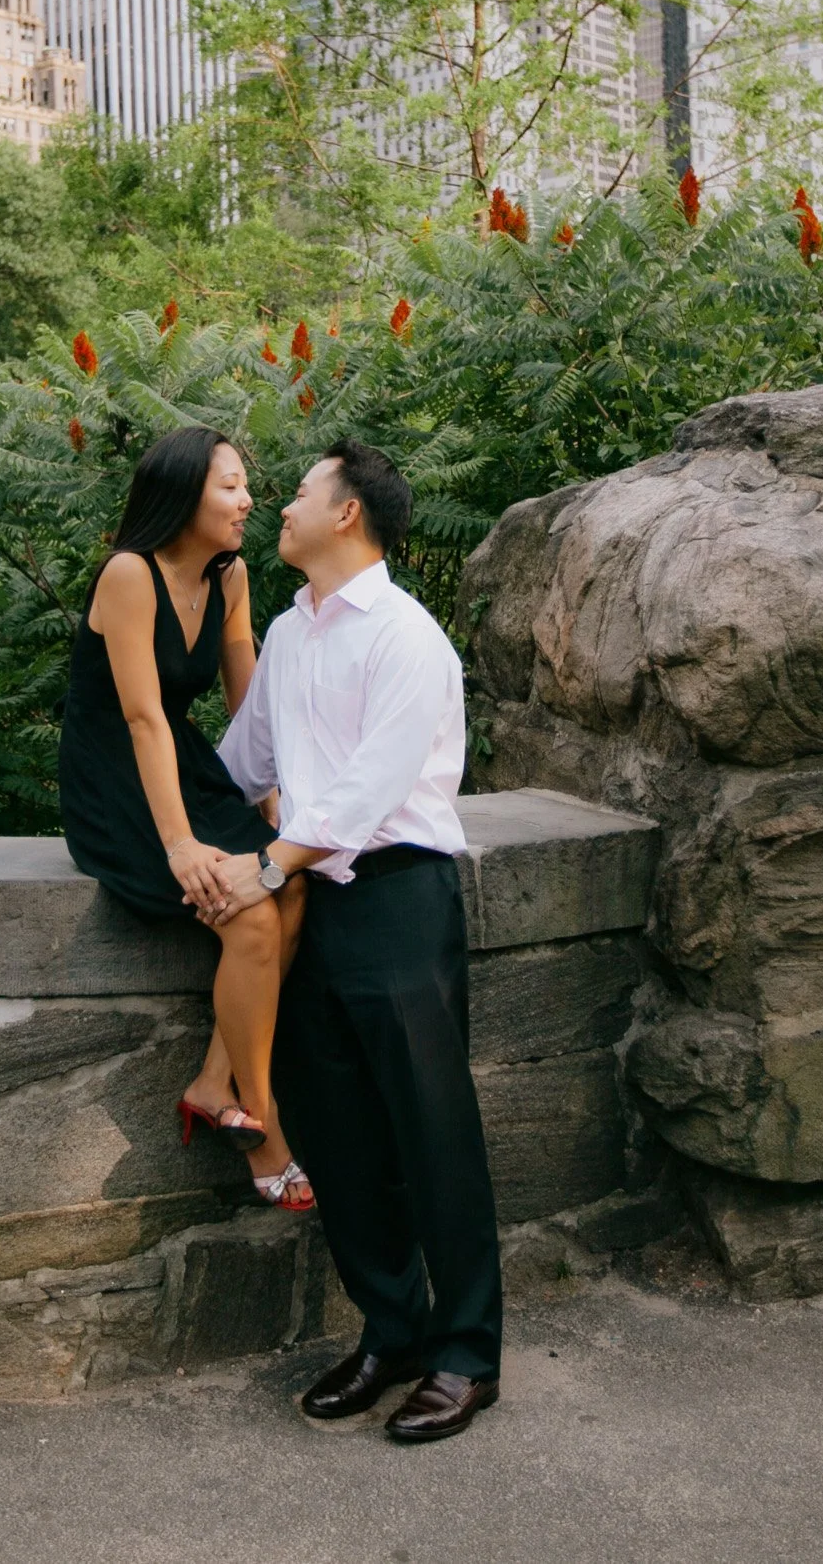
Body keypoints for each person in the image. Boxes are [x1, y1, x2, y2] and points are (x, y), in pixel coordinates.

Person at [210, 439, 502, 1444]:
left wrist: (267, 864)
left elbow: (373, 789)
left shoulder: (408, 638)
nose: (280, 506)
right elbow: (243, 762)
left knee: (432, 1136)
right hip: (309, 909)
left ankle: (467, 1356)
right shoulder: (291, 635)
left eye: (298, 492)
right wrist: (171, 835)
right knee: (336, 1130)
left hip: (396, 897)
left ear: (346, 515)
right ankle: (392, 1335)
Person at [58, 425, 313, 1211]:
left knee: (294, 888)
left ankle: (212, 1082)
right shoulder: (129, 574)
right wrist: (180, 845)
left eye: (246, 485)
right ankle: (264, 1129)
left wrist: (277, 814)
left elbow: (251, 707)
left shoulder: (228, 577)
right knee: (252, 922)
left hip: (189, 765)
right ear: (183, 494)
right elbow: (141, 718)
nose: (248, 501)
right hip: (117, 780)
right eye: (231, 486)